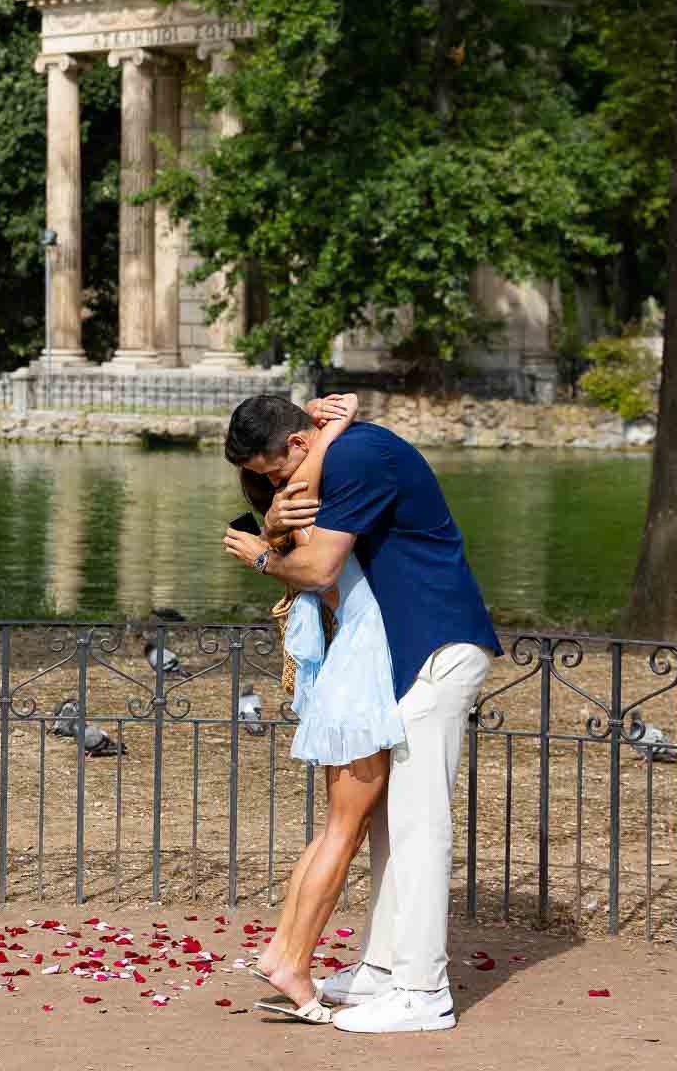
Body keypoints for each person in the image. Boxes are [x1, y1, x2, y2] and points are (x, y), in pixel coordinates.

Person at [224, 393, 502, 1035]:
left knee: (418, 826)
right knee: (385, 827)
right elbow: (322, 569)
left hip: (433, 646)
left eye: (273, 471)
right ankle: (382, 969)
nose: (276, 484)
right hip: (406, 655)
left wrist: (263, 556)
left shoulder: (358, 453)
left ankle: (423, 993)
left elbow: (317, 567)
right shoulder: (342, 453)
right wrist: (276, 523)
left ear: (298, 444)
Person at [231, 393, 405, 1025]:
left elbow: (298, 463)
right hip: (361, 661)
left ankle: (283, 951)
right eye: (275, 474)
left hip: (353, 658)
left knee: (338, 823)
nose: (281, 482)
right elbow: (323, 569)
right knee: (344, 827)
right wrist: (334, 428)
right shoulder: (302, 491)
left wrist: (320, 426)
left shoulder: (293, 496)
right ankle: (291, 962)